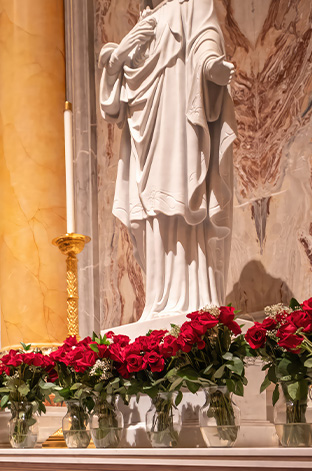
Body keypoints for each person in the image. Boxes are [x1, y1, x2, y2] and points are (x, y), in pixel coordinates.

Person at [99, 0, 237, 321]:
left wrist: (211, 66)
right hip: (144, 135)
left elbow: (206, 40)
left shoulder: (193, 5)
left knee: (183, 198)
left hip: (179, 120)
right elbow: (113, 106)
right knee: (152, 212)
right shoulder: (146, 20)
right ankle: (158, 300)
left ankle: (195, 298)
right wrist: (119, 56)